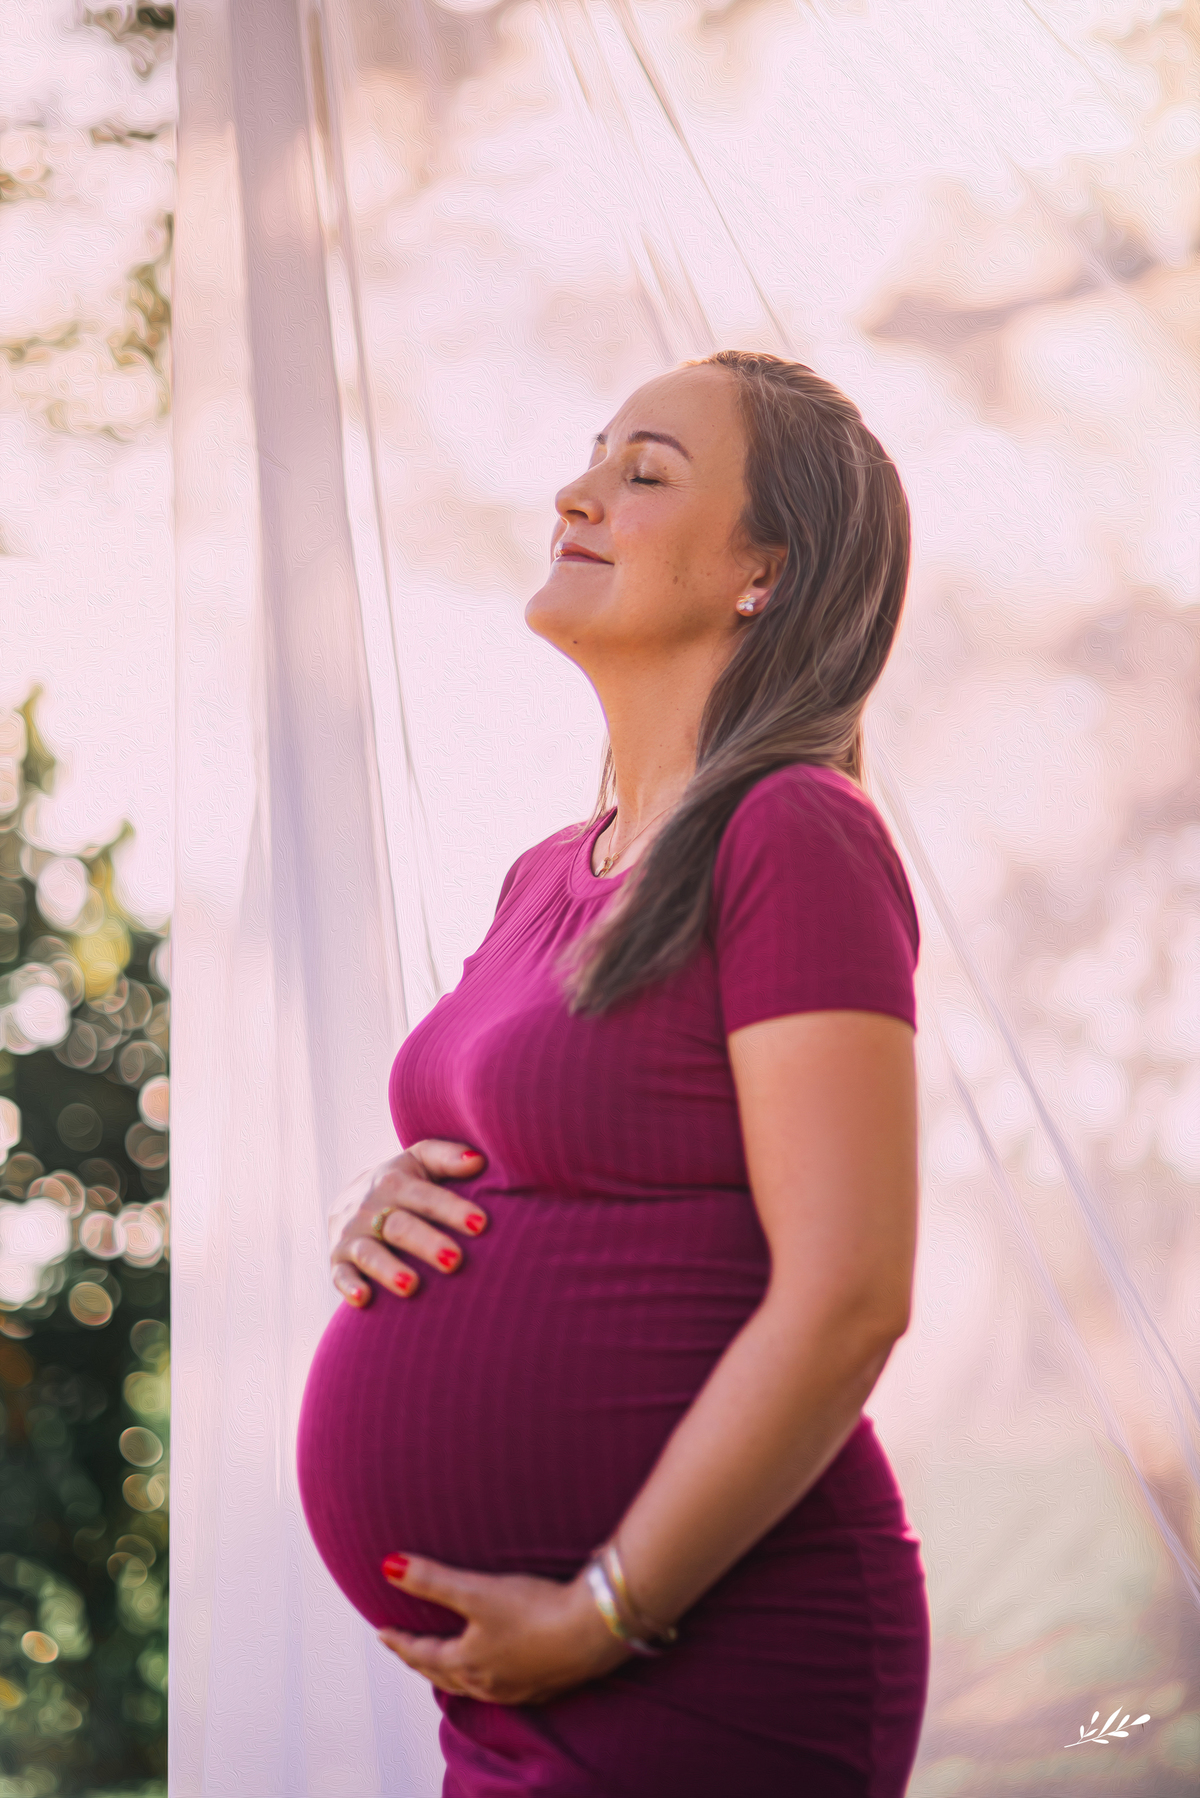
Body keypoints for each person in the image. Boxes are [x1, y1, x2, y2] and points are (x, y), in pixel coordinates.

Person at [297, 349, 929, 1796]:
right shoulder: (542, 875)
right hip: (515, 1690)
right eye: (595, 457)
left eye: (645, 473)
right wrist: (385, 1204)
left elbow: (851, 1291)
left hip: (708, 1658)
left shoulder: (793, 831)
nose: (576, 492)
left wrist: (606, 1609)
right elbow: (558, 1152)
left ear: (762, 572)